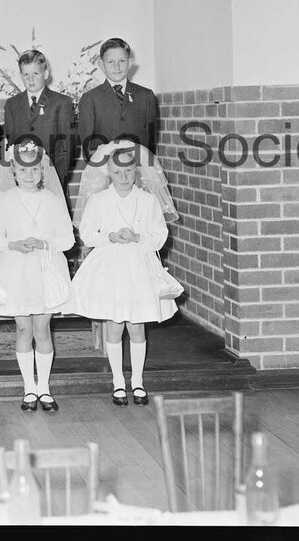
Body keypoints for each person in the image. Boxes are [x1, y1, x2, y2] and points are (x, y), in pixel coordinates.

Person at [71, 140, 181, 407]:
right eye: (118, 172)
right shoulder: (98, 200)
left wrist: (138, 236)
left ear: (136, 171)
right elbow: (87, 233)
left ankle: (138, 381)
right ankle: (118, 381)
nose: (124, 176)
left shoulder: (147, 200)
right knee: (114, 324)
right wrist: (110, 236)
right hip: (109, 266)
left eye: (129, 171)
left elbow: (159, 235)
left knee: (137, 325)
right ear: (108, 172)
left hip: (138, 265)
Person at [0, 138, 76, 412]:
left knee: (42, 329)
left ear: (43, 171)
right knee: (23, 328)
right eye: (23, 170)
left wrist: (44, 244)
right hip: (15, 269)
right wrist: (12, 244)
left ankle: (45, 388)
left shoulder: (52, 200)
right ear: (13, 172)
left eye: (35, 170)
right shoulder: (5, 200)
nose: (29, 175)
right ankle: (29, 387)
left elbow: (67, 239)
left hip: (44, 268)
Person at [2, 50, 76, 192]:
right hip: (24, 181)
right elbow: (12, 146)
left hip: (53, 177)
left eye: (35, 74)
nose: (31, 80)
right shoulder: (12, 105)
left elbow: (68, 147)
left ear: (46, 74)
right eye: (26, 75)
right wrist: (19, 177)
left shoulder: (61, 102)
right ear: (20, 76)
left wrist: (58, 179)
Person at [77, 38, 158, 161]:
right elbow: (87, 143)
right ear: (101, 65)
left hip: (138, 166)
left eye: (122, 61)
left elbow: (150, 139)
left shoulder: (146, 96)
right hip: (104, 168)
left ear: (130, 63)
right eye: (110, 62)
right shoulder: (90, 99)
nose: (117, 67)